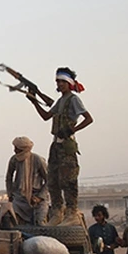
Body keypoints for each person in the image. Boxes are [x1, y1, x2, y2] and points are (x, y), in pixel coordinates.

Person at [27, 67, 93, 224]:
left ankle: (72, 213)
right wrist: (34, 100)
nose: (60, 84)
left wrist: (72, 129)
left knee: (68, 180)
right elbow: (46, 116)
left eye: (63, 81)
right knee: (53, 180)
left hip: (66, 144)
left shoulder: (73, 99)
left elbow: (88, 119)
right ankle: (57, 212)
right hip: (56, 144)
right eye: (58, 81)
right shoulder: (61, 100)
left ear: (69, 83)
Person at [5, 136, 48, 226]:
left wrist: (39, 197)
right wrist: (10, 194)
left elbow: (49, 180)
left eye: (17, 149)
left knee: (40, 222)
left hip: (37, 198)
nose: (14, 151)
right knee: (10, 220)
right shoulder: (14, 159)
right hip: (19, 198)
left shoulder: (38, 160)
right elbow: (9, 177)